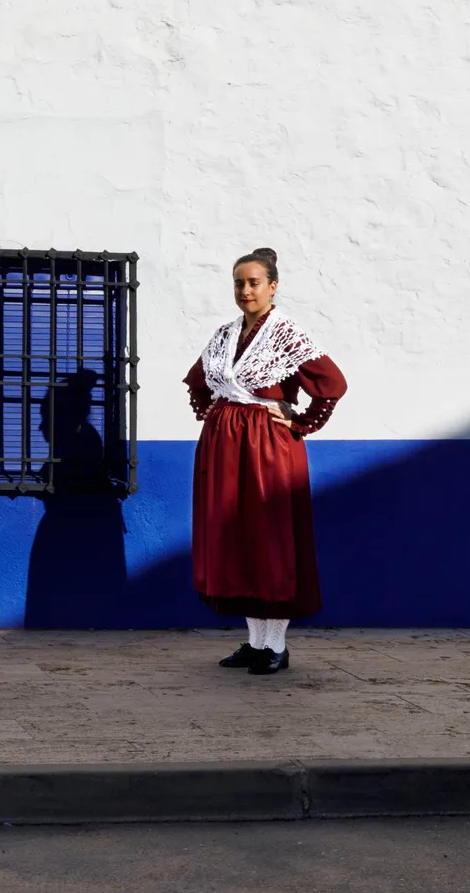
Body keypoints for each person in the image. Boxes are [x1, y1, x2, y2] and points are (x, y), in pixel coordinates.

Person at [185, 247, 348, 675]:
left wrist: (300, 420)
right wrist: (219, 417)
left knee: (270, 538)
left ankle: (276, 644)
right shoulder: (224, 334)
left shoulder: (287, 334)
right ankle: (256, 643)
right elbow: (199, 381)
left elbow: (332, 383)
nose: (245, 290)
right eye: (239, 282)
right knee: (238, 541)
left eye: (254, 282)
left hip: (268, 449)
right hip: (225, 448)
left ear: (272, 286)